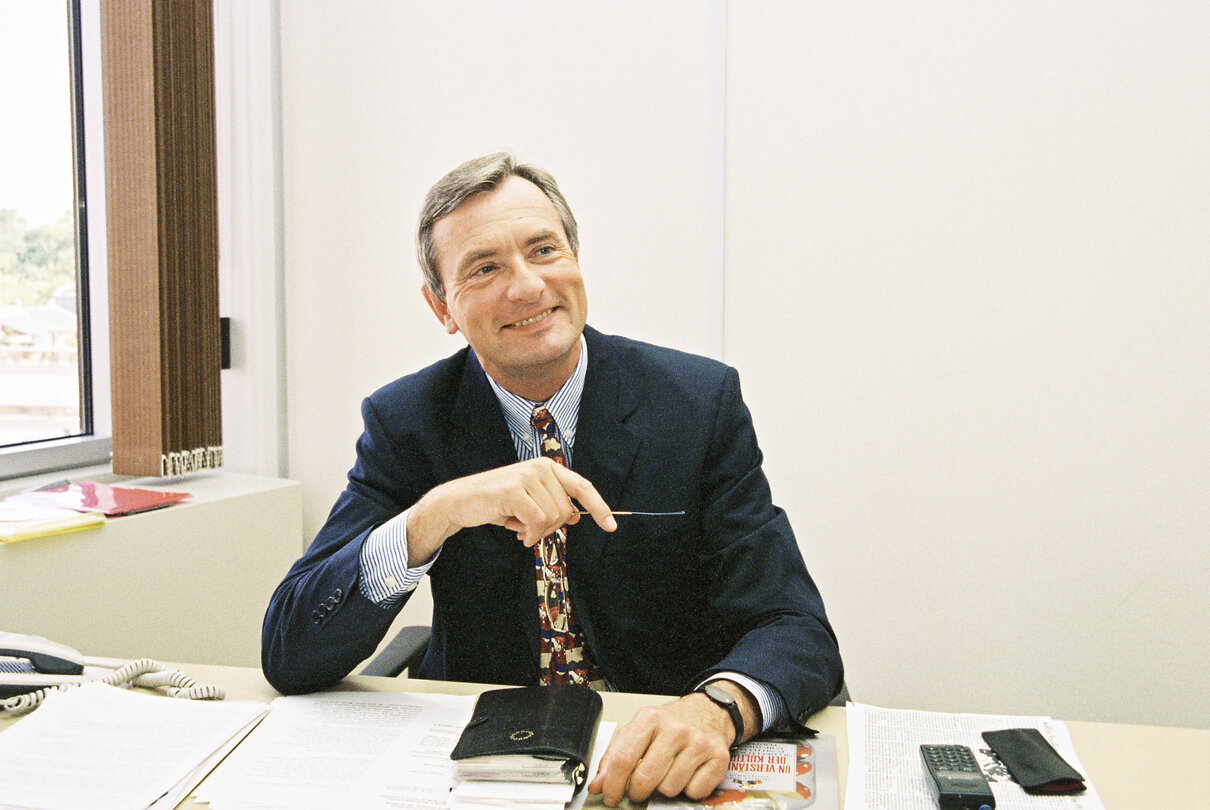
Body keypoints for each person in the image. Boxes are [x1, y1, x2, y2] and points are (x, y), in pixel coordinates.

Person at [261, 152, 843, 806]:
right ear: (441, 307)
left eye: (544, 250)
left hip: (651, 752)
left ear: (575, 260)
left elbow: (794, 625)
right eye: (485, 268)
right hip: (490, 763)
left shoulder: (696, 404)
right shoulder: (409, 423)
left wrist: (714, 710)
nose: (528, 287)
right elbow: (290, 649)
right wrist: (435, 515)